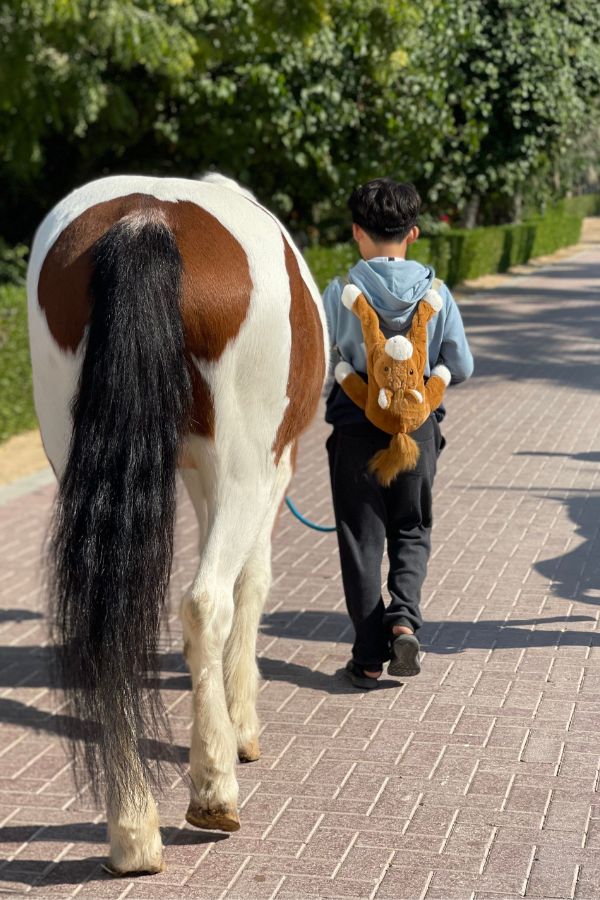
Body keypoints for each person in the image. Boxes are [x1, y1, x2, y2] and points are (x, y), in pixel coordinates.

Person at [323, 177, 473, 689]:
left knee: (360, 539)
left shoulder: (338, 292)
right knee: (411, 526)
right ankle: (404, 619)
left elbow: (326, 359)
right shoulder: (437, 293)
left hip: (354, 426)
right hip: (418, 429)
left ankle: (367, 656)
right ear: (412, 233)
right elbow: (464, 366)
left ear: (356, 233)